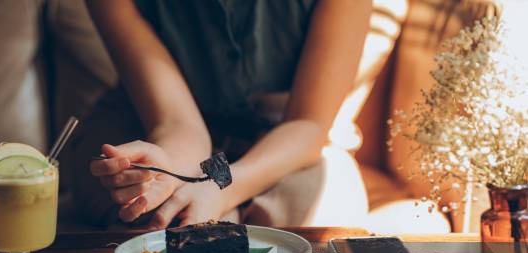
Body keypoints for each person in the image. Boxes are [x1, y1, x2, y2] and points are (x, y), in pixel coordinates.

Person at [72, 0, 450, 232]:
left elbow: (309, 123)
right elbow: (178, 123)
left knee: (321, 212)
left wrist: (220, 190)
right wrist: (168, 171)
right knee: (152, 218)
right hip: (152, 127)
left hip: (282, 136)